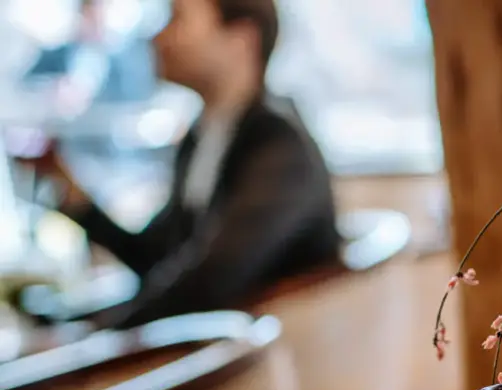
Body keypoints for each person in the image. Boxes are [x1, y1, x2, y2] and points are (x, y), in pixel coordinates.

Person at [25, 0, 340, 329]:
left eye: (176, 19)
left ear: (241, 38)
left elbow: (213, 280)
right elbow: (161, 257)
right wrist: (75, 197)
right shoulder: (204, 135)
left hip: (257, 365)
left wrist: (96, 337)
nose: (157, 38)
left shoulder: (277, 144)